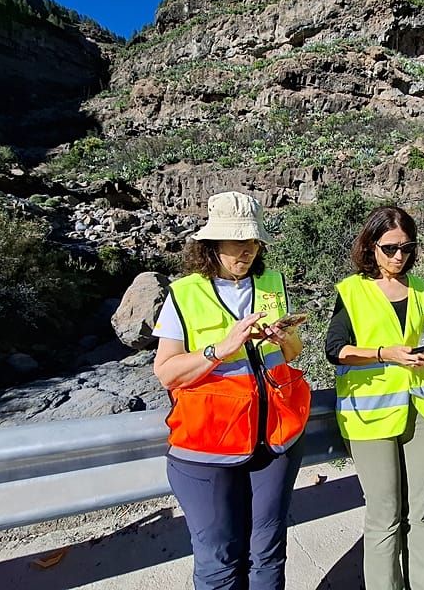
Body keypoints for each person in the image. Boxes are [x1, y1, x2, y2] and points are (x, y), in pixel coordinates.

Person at [152, 191, 311, 590]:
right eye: (236, 241)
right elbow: (167, 373)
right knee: (219, 558)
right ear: (211, 244)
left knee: (269, 551)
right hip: (208, 445)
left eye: (253, 241)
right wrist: (219, 350)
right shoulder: (184, 293)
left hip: (274, 440)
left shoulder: (272, 284)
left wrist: (284, 337)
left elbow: (291, 354)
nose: (245, 250)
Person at [324, 205, 424, 590]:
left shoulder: (421, 289)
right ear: (371, 247)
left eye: (407, 247)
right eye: (390, 248)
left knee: (420, 512)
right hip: (369, 416)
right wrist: (383, 353)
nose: (399, 256)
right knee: (384, 515)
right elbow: (335, 350)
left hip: (419, 408)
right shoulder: (352, 291)